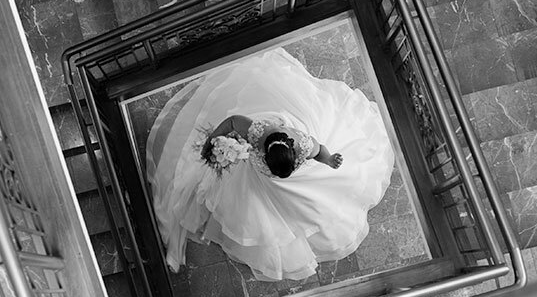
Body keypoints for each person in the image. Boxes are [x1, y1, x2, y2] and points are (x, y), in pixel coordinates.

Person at [146, 47, 395, 282]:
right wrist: (212, 141)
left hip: (285, 154)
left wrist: (330, 160)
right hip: (264, 155)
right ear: (263, 154)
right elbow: (231, 122)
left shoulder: (304, 145)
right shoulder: (256, 132)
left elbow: (320, 152)